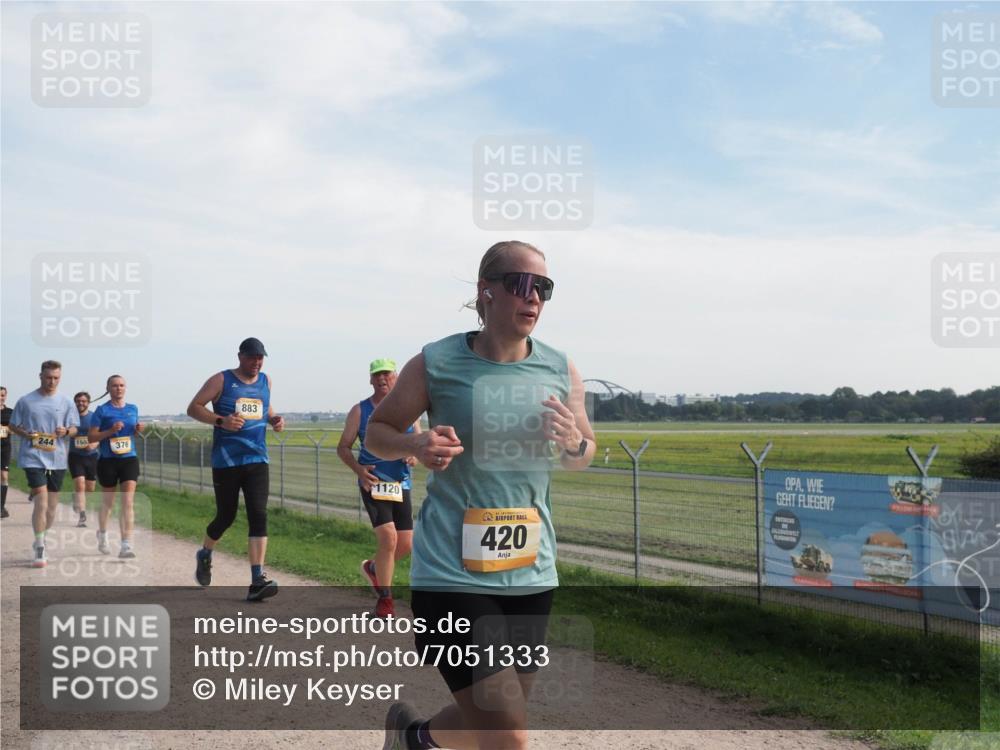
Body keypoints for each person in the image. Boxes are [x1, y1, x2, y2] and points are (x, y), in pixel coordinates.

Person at [366, 241, 596, 750]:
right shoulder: (436, 362)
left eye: (543, 287)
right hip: (450, 572)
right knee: (508, 732)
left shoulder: (561, 368)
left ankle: (414, 738)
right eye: (519, 283)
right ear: (484, 292)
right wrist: (415, 443)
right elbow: (376, 432)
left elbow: (584, 452)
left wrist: (573, 442)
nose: (532, 295)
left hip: (531, 571)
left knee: (493, 717)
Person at [187, 337, 285, 602]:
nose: (256, 362)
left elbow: (264, 408)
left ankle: (257, 579)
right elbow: (193, 408)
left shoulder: (266, 381)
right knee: (226, 516)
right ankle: (205, 553)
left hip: (257, 459)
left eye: (260, 358)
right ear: (240, 356)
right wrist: (221, 420)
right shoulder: (221, 380)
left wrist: (274, 418)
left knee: (258, 514)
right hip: (227, 461)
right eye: (252, 357)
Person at [336, 359, 421, 618]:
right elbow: (343, 447)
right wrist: (359, 470)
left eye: (387, 374)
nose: (382, 378)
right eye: (377, 375)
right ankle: (385, 600)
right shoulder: (360, 411)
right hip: (373, 482)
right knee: (388, 538)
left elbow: (418, 444)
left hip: (400, 485)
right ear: (371, 380)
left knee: (405, 544)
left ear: (396, 377)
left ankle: (374, 568)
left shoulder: (410, 409)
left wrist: (413, 455)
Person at [9, 361, 79, 568]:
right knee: (41, 500)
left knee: (51, 507)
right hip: (33, 456)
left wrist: (66, 432)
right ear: (40, 376)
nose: (52, 381)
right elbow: (13, 425)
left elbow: (75, 428)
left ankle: (41, 536)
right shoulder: (26, 401)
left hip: (57, 458)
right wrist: (25, 433)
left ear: (60, 378)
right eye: (48, 377)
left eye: (56, 378)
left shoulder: (66, 402)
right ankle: (40, 546)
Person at [89, 376, 144, 558]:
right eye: (114, 385)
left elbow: (131, 433)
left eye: (121, 385)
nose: (118, 388)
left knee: (127, 502)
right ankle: (102, 534)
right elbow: (91, 438)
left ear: (125, 388)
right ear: (108, 388)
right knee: (109, 502)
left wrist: (137, 430)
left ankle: (126, 545)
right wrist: (110, 431)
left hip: (129, 459)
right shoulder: (102, 410)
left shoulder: (132, 408)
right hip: (108, 460)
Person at [68, 391, 100, 528]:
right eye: (78, 401)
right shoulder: (69, 417)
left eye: (83, 401)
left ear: (88, 402)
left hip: (91, 456)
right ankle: (82, 516)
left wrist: (93, 444)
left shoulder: (94, 417)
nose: (81, 403)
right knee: (80, 483)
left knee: (90, 488)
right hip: (75, 456)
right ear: (74, 403)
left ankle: (77, 499)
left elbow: (100, 436)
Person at [1, 386, 11, 519]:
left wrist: (6, 429)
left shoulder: (10, 412)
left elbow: (16, 428)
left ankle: (1, 507)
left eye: (2, 395)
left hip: (4, 448)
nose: (0, 398)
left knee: (3, 476)